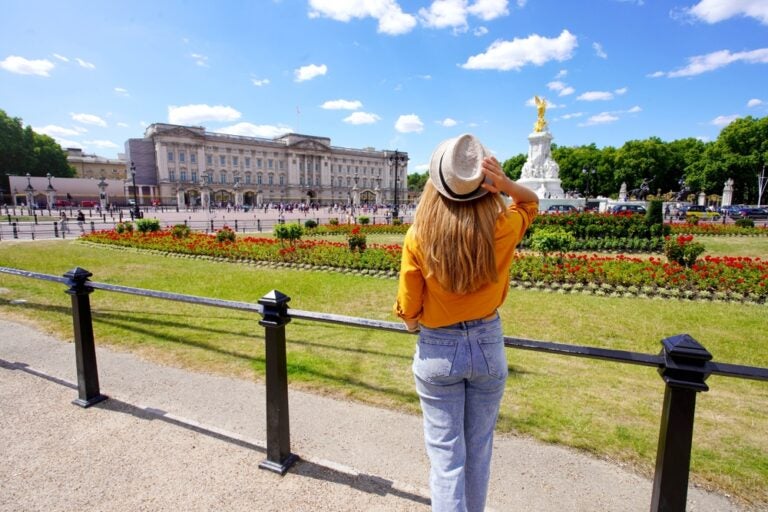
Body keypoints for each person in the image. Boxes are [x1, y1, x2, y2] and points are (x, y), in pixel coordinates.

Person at [394, 133, 539, 511]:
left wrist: (413, 324)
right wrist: (504, 184)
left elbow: (409, 304)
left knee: (446, 460)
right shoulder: (503, 227)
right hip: (488, 343)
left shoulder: (419, 236)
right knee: (478, 453)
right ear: (484, 186)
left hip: (437, 348)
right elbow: (531, 201)